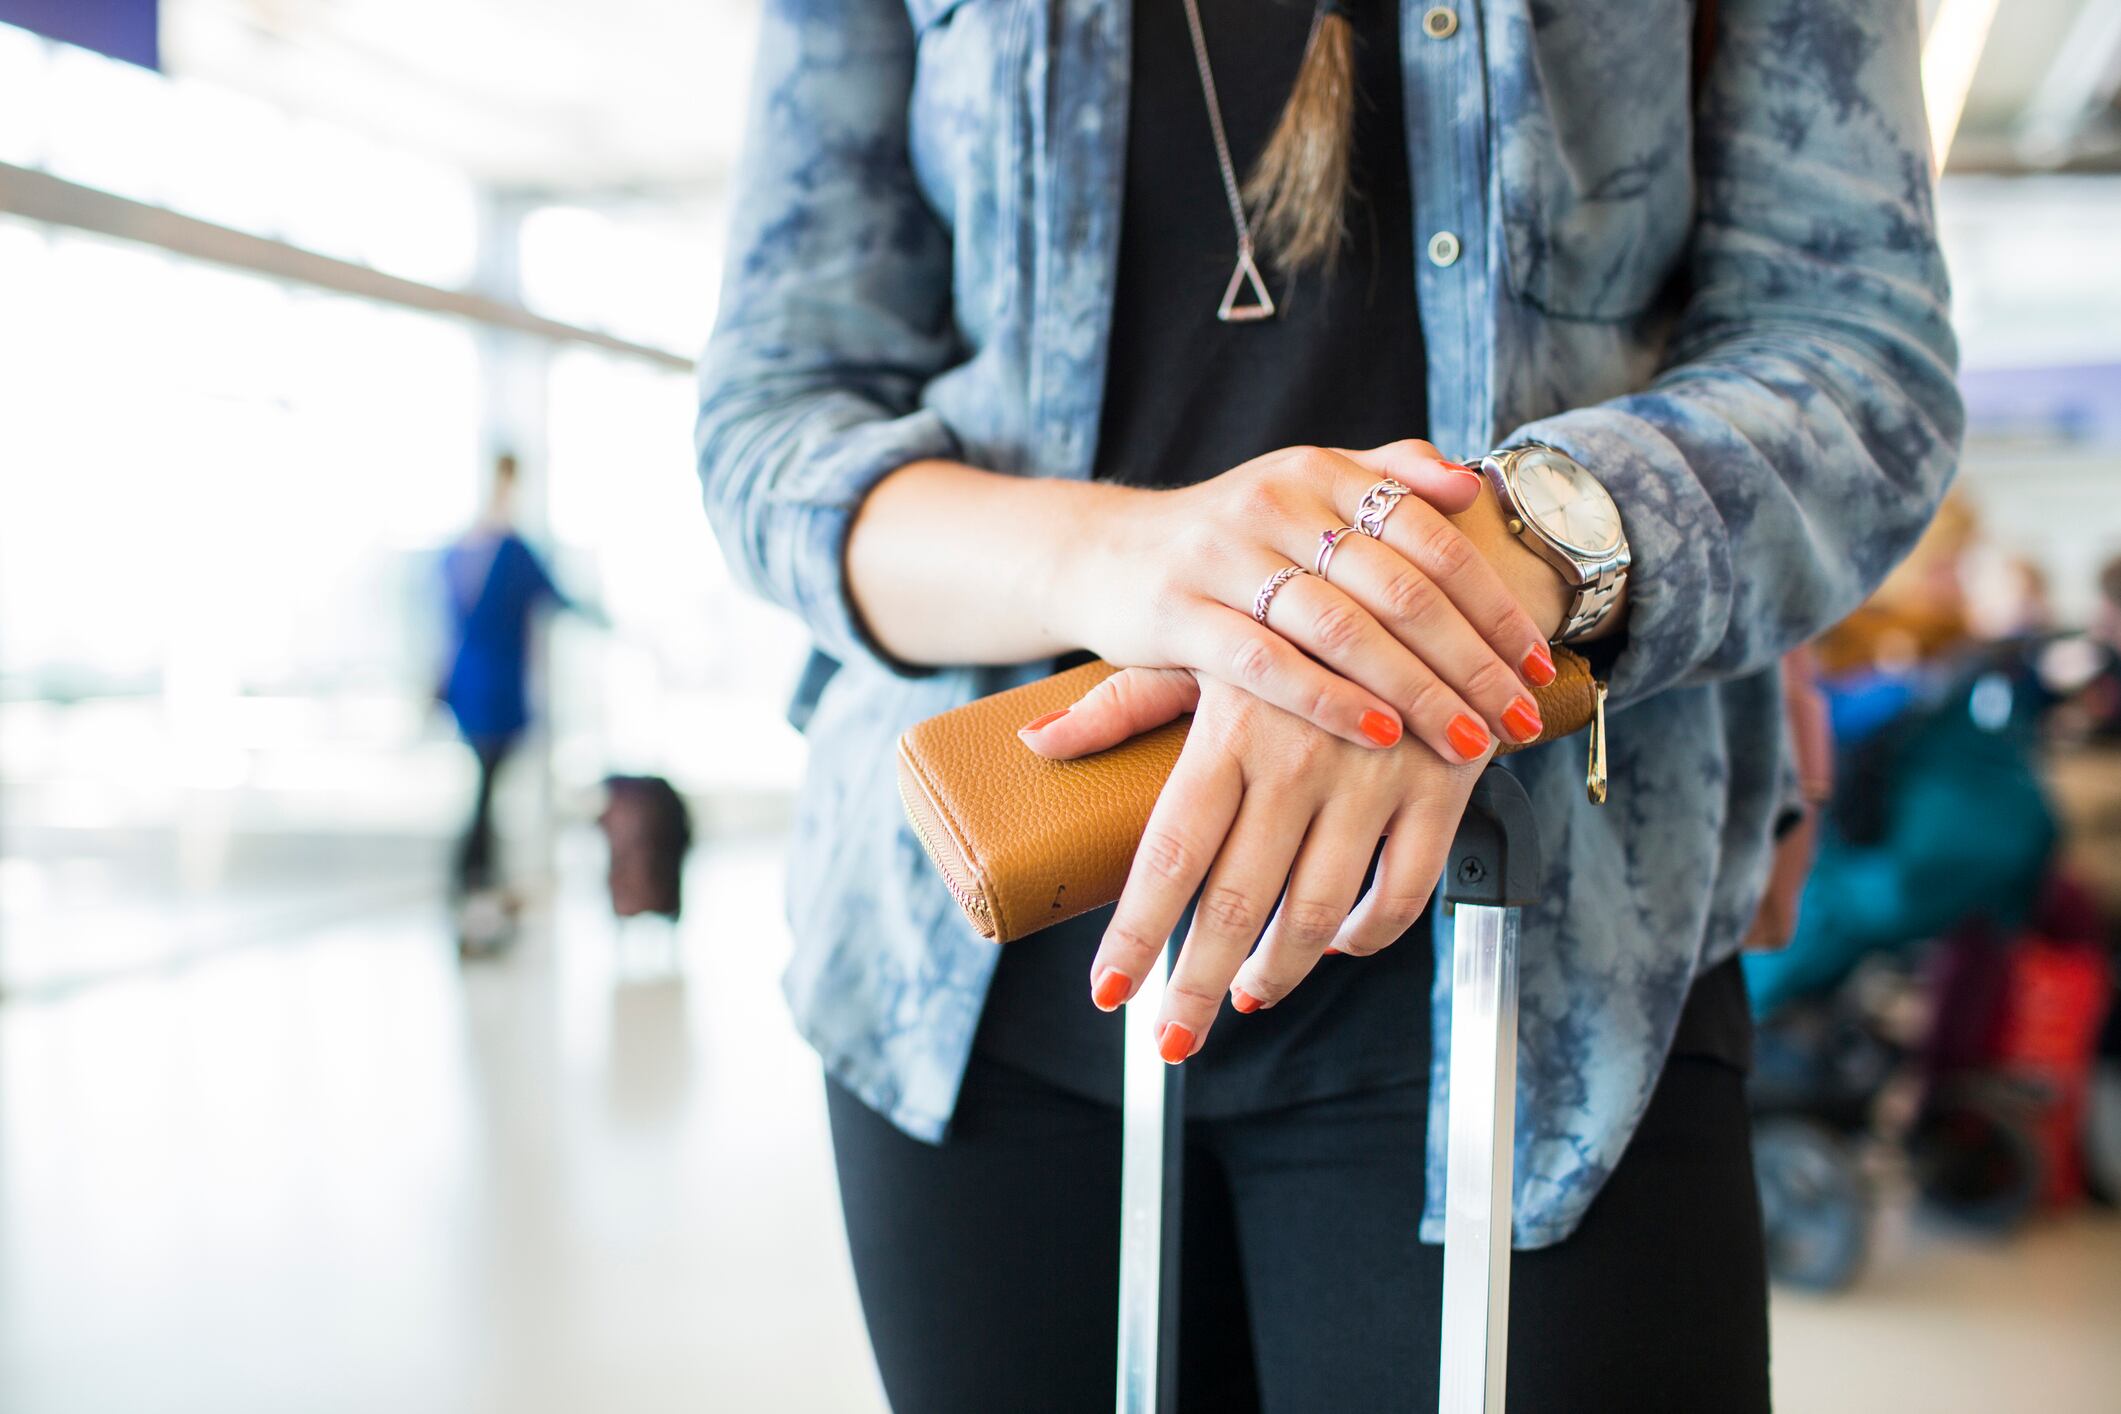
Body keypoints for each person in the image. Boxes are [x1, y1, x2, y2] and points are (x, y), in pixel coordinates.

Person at [697, 1, 1960, 1408]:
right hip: (982, 990)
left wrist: (1466, 576)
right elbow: (775, 420)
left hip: (1555, 967)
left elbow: (1858, 353)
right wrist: (1135, 556)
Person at [438, 453, 570, 907]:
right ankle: (474, 877)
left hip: (470, 687)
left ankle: (476, 876)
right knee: (487, 788)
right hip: (492, 691)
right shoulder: (508, 553)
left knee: (486, 785)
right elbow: (557, 597)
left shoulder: (462, 553)